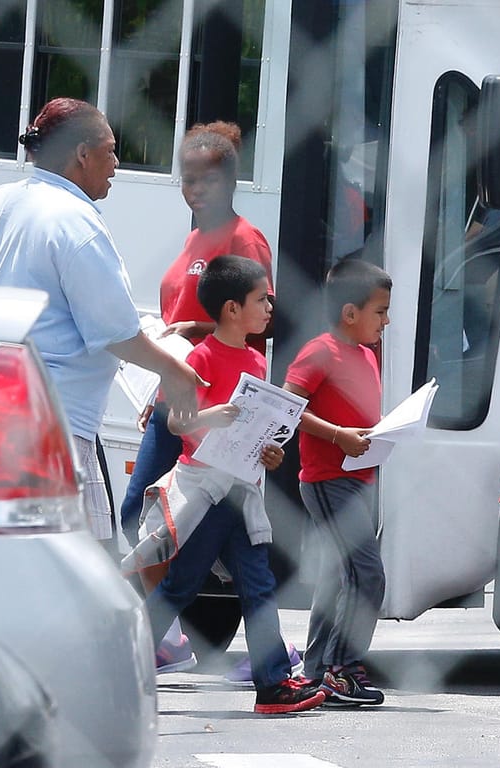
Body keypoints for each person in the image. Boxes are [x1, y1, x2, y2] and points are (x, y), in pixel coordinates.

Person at [0, 97, 204, 542]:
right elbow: (116, 334)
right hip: (53, 422)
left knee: (11, 556)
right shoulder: (77, 223)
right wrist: (175, 370)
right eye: (111, 150)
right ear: (82, 154)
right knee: (79, 566)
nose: (116, 163)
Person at [114, 121, 278, 673]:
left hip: (213, 404)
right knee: (142, 512)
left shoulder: (243, 238)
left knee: (182, 517)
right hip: (174, 393)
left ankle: (171, 636)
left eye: (206, 180)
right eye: (187, 180)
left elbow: (259, 323)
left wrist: (193, 331)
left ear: (230, 181)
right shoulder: (190, 239)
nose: (195, 190)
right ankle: (173, 634)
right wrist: (159, 380)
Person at [127, 255, 324, 715]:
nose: (270, 306)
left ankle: (273, 686)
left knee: (258, 583)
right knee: (180, 585)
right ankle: (124, 667)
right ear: (232, 309)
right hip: (207, 492)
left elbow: (257, 428)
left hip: (243, 488)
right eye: (261, 299)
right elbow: (177, 423)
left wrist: (270, 450)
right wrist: (211, 417)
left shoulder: (256, 358)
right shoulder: (201, 357)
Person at [282, 258, 392, 706]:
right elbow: (287, 405)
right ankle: (342, 670)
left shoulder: (366, 353)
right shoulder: (321, 351)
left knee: (338, 576)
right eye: (380, 311)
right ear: (350, 313)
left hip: (360, 481)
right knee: (367, 576)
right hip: (329, 481)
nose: (387, 321)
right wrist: (337, 435)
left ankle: (316, 669)